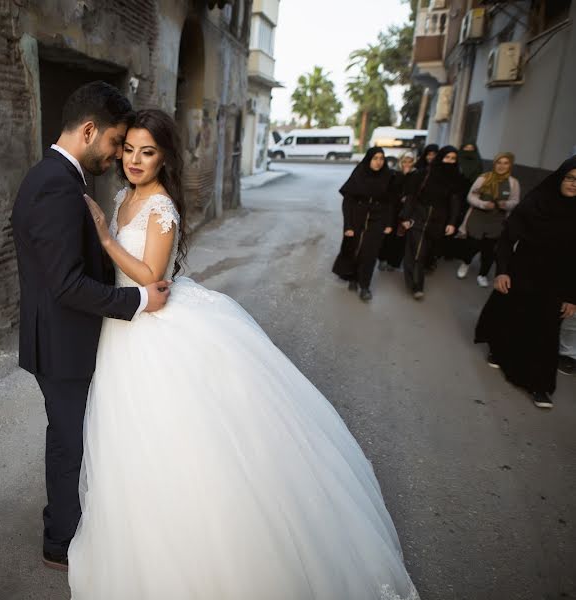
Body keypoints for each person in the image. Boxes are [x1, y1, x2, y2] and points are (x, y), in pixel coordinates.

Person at [71, 109, 418, 599]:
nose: (133, 160)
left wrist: (106, 237)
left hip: (153, 323)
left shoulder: (161, 206)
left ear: (164, 157)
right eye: (128, 149)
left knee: (175, 435)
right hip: (124, 325)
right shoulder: (126, 195)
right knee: (130, 433)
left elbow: (152, 276)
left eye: (147, 152)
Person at [10, 81, 171, 571]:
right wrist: (139, 298)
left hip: (61, 337)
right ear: (88, 130)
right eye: (116, 142)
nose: (118, 154)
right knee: (69, 443)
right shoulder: (59, 185)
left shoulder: (54, 175)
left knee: (73, 437)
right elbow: (66, 284)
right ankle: (60, 540)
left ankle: (66, 522)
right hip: (62, 344)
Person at [474, 157, 576, 409]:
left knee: (547, 330)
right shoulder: (536, 202)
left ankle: (541, 386)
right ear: (560, 177)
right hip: (523, 272)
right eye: (571, 178)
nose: (574, 184)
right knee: (511, 316)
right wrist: (502, 271)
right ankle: (498, 349)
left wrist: (573, 296)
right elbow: (508, 238)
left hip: (557, 281)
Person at [331, 147, 398, 301]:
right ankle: (353, 277)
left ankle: (365, 286)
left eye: (381, 158)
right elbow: (347, 201)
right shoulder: (359, 173)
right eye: (375, 158)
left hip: (378, 218)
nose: (378, 162)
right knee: (355, 249)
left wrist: (389, 223)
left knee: (370, 253)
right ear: (368, 159)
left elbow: (390, 203)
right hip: (357, 216)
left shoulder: (388, 176)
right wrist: (347, 225)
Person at [400, 146, 462, 299]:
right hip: (418, 216)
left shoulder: (455, 178)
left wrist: (452, 223)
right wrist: (406, 218)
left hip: (438, 221)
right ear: (440, 158)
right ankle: (416, 286)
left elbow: (455, 202)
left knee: (423, 252)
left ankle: (412, 276)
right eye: (447, 157)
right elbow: (412, 197)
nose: (450, 161)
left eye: (453, 158)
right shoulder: (424, 174)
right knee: (418, 251)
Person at [456, 152, 520, 287]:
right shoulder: (483, 178)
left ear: (510, 165)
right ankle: (465, 263)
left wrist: (506, 204)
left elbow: (515, 201)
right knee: (471, 246)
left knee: (489, 251)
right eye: (499, 162)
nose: (502, 166)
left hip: (497, 222)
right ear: (494, 164)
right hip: (477, 219)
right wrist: (483, 204)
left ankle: (483, 274)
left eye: (505, 163)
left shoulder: (513, 183)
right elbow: (470, 197)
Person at [379, 151, 415, 271]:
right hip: (392, 209)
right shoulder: (393, 173)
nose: (407, 164)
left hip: (407, 212)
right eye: (404, 161)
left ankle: (393, 263)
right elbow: (389, 191)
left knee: (400, 238)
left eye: (410, 162)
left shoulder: (416, 175)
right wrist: (403, 176)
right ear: (400, 162)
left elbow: (415, 192)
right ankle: (383, 259)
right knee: (387, 235)